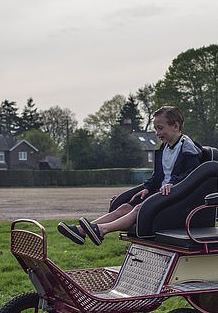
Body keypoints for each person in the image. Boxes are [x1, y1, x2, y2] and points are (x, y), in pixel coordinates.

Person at [57, 105, 203, 245]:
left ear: (175, 126)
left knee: (139, 209)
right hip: (163, 195)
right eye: (155, 129)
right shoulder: (164, 148)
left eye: (160, 128)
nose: (157, 133)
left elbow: (192, 176)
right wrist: (147, 187)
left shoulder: (188, 149)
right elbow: (158, 176)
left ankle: (102, 230)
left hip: (178, 200)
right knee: (124, 207)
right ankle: (81, 230)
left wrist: (173, 185)